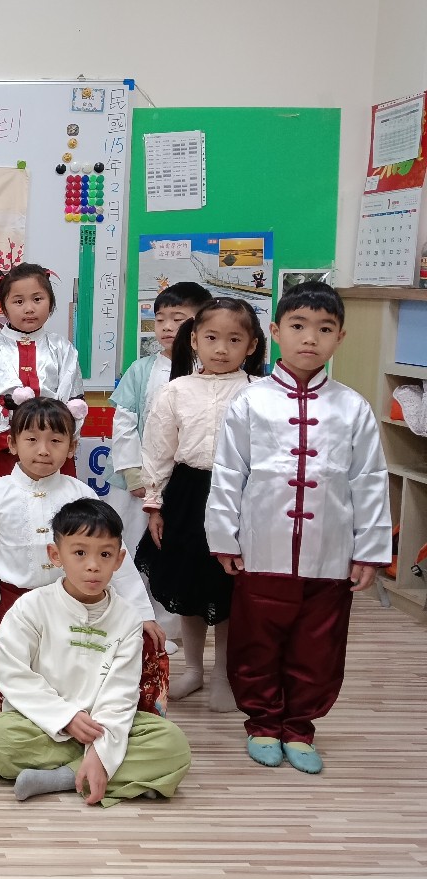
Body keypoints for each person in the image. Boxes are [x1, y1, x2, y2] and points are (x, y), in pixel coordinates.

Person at [207, 281, 391, 773]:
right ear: (275, 332)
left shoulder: (353, 407)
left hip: (330, 553)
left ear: (340, 337)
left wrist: (370, 549)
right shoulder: (250, 402)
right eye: (298, 326)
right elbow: (228, 472)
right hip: (261, 547)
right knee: (257, 642)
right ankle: (263, 723)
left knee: (318, 646)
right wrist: (223, 536)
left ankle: (300, 727)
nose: (310, 338)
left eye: (324, 329)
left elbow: (370, 479)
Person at [0, 397, 167, 723]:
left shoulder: (80, 494)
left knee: (64, 674)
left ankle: (66, 710)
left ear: (71, 447)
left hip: (65, 606)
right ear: (12, 443)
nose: (43, 450)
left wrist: (142, 612)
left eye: (55, 441)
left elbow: (113, 553)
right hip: (6, 604)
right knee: (6, 682)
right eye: (32, 439)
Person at [0, 500, 192, 807]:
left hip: (103, 726)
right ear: (56, 555)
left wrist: (101, 749)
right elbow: (13, 675)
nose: (93, 565)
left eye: (104, 554)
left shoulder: (128, 618)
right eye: (80, 553)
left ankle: (65, 777)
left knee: (173, 745)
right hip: (42, 723)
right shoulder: (30, 608)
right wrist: (65, 717)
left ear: (119, 559)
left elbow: (121, 691)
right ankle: (118, 775)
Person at [136, 298, 265, 711]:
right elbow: (158, 450)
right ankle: (193, 669)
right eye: (211, 338)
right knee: (189, 586)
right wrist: (155, 505)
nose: (221, 349)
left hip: (240, 495)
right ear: (194, 340)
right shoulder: (176, 391)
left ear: (252, 345)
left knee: (228, 590)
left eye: (234, 340)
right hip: (187, 495)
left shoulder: (259, 393)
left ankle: (224, 675)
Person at [106, 281, 211, 568]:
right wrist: (132, 473)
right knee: (128, 545)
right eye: (160, 319)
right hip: (140, 479)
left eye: (178, 319)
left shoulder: (209, 370)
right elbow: (124, 422)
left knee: (175, 550)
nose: (167, 327)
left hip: (187, 481)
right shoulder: (141, 369)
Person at [0, 262, 84, 500]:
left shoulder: (62, 347)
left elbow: (73, 399)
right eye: (18, 301)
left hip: (49, 444)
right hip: (3, 444)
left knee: (55, 507)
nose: (29, 309)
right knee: (2, 504)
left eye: (37, 299)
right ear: (4, 307)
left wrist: (56, 437)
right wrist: (10, 438)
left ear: (51, 303)